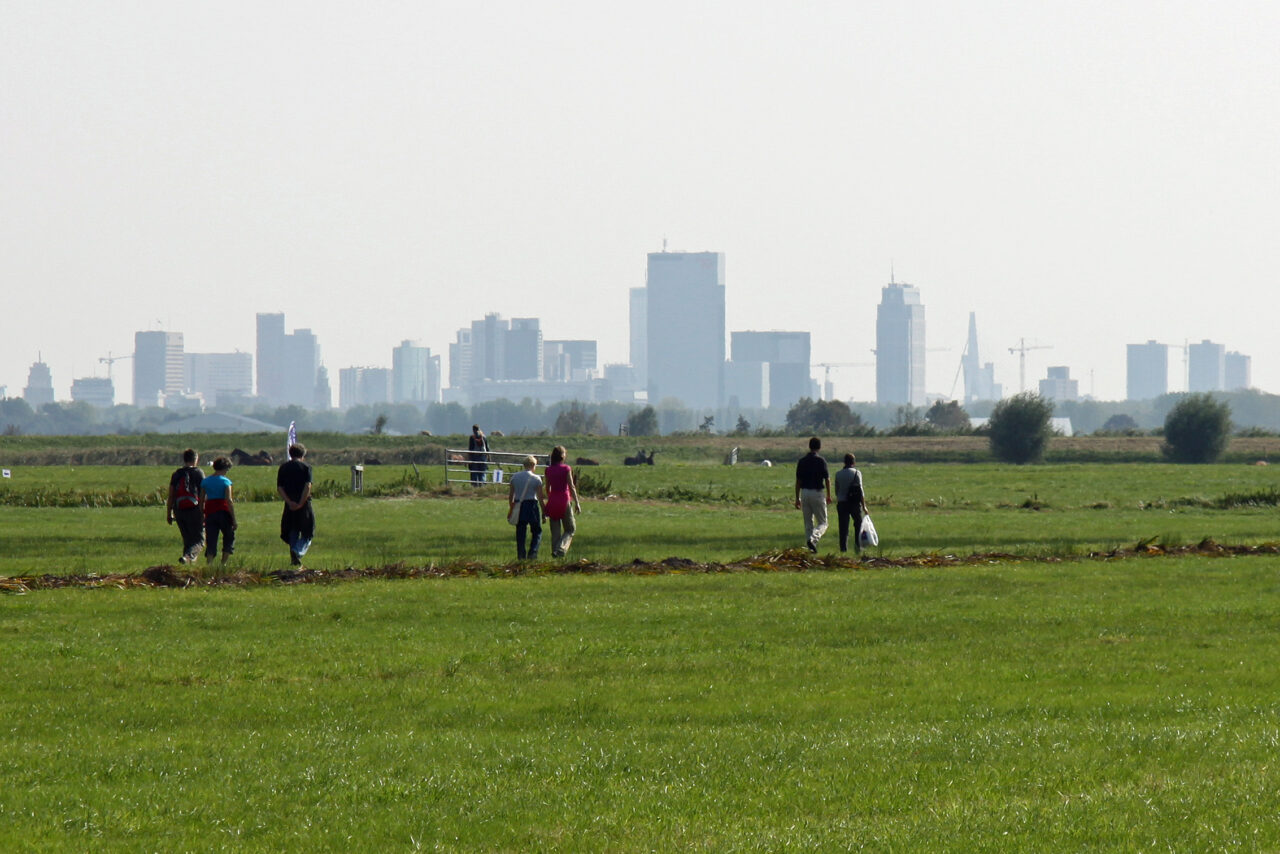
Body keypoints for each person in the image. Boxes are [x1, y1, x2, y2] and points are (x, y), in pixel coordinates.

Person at [277, 443, 315, 567]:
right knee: (308, 532)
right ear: (303, 455)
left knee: (292, 530)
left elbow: (280, 488)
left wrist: (289, 502)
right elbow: (307, 486)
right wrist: (300, 503)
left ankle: (293, 555)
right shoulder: (306, 467)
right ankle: (297, 551)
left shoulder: (283, 467)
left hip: (289, 503)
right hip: (303, 503)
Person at [165, 448, 204, 564]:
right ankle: (188, 557)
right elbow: (203, 494)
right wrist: (204, 511)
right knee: (199, 540)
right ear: (195, 459)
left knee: (187, 539)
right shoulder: (198, 473)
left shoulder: (176, 474)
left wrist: (169, 513)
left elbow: (171, 496)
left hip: (179, 509)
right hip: (195, 509)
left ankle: (187, 562)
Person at [794, 436, 832, 552]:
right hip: (817, 493)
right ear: (819, 447)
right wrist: (829, 495)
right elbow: (827, 479)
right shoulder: (821, 461)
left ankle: (811, 548)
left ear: (809, 446)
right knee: (823, 522)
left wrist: (797, 498)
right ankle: (813, 539)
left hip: (805, 493)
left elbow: (798, 481)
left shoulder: (802, 461)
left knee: (808, 523)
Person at [544, 445, 582, 558]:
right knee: (570, 529)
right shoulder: (566, 469)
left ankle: (555, 552)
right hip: (564, 500)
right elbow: (571, 486)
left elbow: (547, 488)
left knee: (555, 531)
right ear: (562, 456)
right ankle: (561, 549)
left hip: (553, 500)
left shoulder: (548, 470)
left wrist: (550, 498)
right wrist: (577, 503)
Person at [507, 455, 546, 560]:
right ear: (533, 465)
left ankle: (521, 556)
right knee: (537, 531)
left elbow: (511, 496)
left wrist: (511, 509)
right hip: (532, 505)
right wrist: (544, 512)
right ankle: (532, 554)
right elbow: (540, 498)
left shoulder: (514, 477)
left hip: (519, 505)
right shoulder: (536, 479)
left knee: (520, 532)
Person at [200, 456, 237, 565]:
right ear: (225, 468)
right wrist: (234, 519)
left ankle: (210, 562)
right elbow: (229, 500)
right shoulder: (226, 482)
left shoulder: (205, 482)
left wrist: (202, 514)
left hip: (210, 511)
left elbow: (201, 500)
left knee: (211, 538)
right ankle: (223, 563)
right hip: (223, 511)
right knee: (229, 536)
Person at [833, 453, 869, 554]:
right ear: (854, 462)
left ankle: (843, 548)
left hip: (842, 503)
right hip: (854, 503)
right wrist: (864, 506)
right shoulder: (857, 473)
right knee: (858, 524)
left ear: (844, 462)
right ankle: (858, 546)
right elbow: (860, 490)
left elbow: (837, 490)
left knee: (843, 527)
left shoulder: (838, 474)